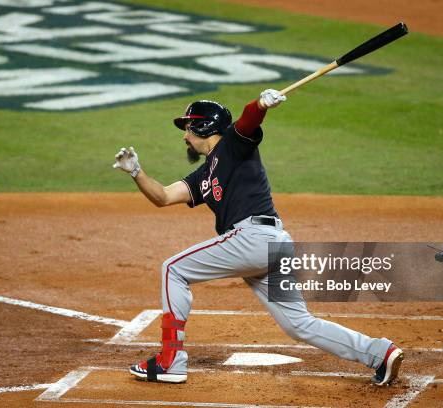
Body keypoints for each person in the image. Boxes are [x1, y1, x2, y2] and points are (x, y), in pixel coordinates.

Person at [112, 89, 403, 385]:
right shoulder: (204, 175)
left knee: (173, 269)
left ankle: (170, 360)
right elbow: (162, 197)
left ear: (204, 127)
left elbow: (248, 121)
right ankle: (380, 353)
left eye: (188, 128)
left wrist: (261, 104)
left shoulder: (232, 146)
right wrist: (136, 172)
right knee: (298, 325)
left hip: (254, 238)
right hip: (272, 244)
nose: (184, 136)